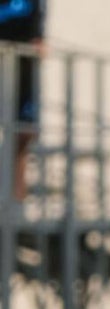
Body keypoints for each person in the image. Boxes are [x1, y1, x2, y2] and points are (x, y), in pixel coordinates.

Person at [0, 0, 45, 201]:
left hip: (22, 74)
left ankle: (16, 205)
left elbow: (38, 39)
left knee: (22, 135)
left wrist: (38, 39)